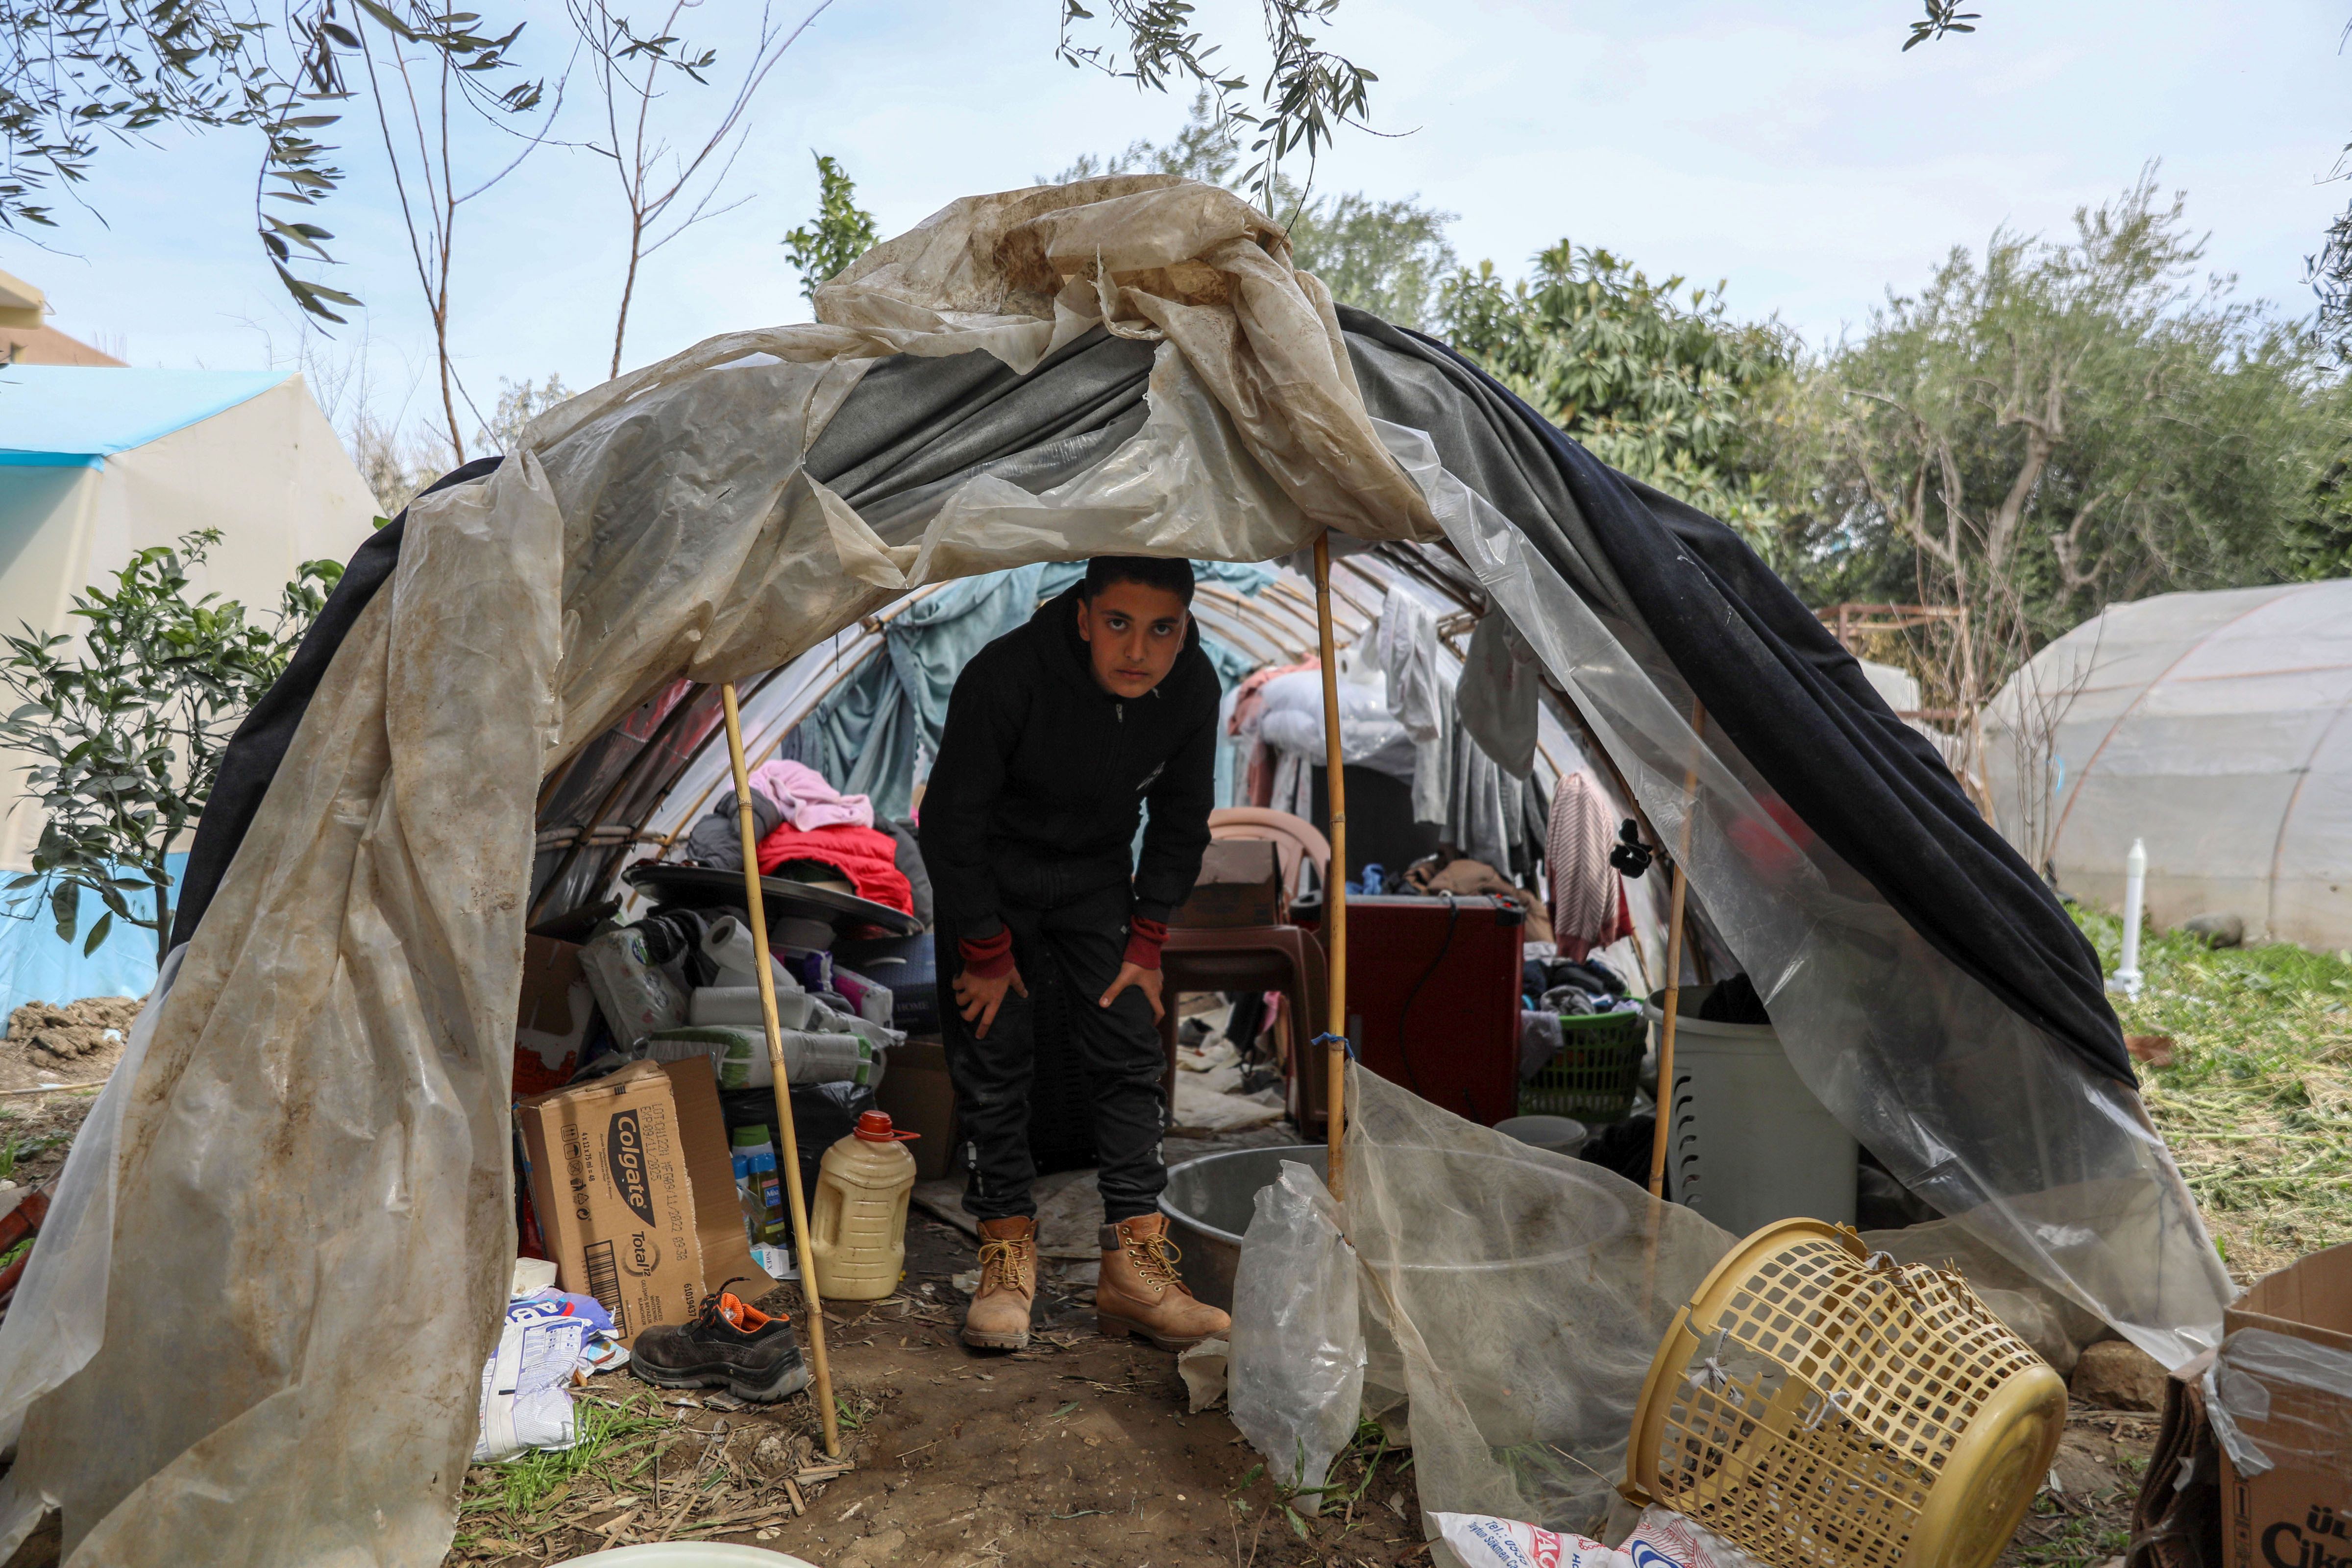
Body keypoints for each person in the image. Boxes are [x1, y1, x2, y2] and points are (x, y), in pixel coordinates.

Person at [920, 556, 1230, 1354]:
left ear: (1185, 625)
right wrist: (985, 950)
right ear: (1084, 615)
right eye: (1120, 623)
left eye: (1163, 628)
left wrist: (1149, 937)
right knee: (996, 1053)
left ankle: (1133, 1268)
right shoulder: (1007, 676)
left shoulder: (1191, 688)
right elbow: (950, 822)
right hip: (990, 875)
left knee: (1130, 1044)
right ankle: (1005, 1255)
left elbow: (1182, 816)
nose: (1140, 650)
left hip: (1095, 875)